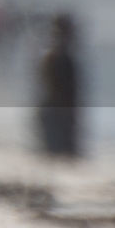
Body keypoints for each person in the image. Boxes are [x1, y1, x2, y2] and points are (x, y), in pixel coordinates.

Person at [35, 12, 82, 158]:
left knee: (56, 151)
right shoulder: (59, 55)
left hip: (53, 107)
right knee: (59, 151)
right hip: (58, 109)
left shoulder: (50, 53)